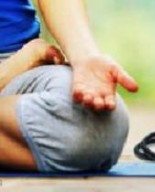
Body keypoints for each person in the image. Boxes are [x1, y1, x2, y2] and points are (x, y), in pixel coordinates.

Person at [0, 0, 138, 172]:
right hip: (19, 63)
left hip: (19, 60)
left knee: (95, 126)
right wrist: (10, 71)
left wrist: (85, 55)